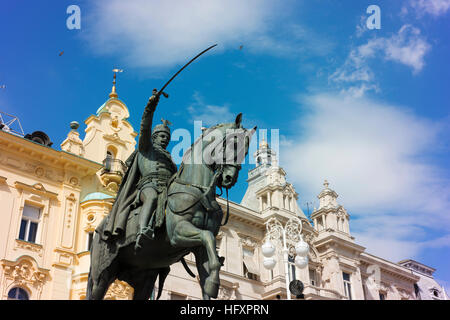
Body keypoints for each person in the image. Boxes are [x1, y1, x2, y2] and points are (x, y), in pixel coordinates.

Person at [99, 91, 177, 252]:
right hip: (148, 186)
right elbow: (145, 126)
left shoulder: (169, 158)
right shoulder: (146, 148)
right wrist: (151, 107)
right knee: (152, 197)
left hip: (167, 189)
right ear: (154, 137)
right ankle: (143, 231)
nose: (164, 139)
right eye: (161, 136)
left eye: (167, 138)